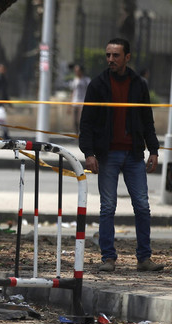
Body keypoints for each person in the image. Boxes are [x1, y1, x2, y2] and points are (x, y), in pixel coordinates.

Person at [79, 38, 163, 273]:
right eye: (108, 55)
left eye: (115, 55)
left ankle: (144, 259)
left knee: (142, 207)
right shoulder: (97, 85)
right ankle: (108, 258)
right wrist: (89, 153)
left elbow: (147, 121)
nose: (110, 60)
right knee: (107, 208)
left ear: (127, 57)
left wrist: (154, 150)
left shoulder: (138, 84)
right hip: (107, 156)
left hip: (134, 155)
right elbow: (86, 123)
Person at [69, 64, 90, 133]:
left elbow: (89, 91)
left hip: (83, 101)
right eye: (75, 71)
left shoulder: (86, 80)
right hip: (75, 102)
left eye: (77, 71)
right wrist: (70, 105)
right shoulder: (74, 80)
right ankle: (76, 134)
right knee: (75, 120)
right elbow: (72, 92)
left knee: (81, 119)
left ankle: (83, 133)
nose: (76, 72)